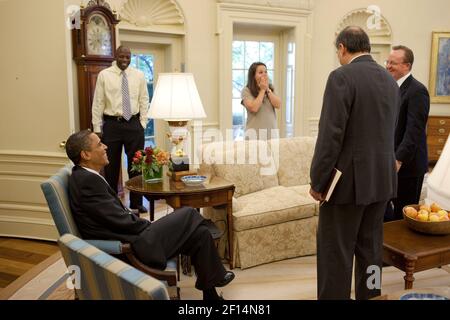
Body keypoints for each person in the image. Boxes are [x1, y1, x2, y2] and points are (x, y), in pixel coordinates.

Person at [65, 130, 235, 300]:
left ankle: (211, 297)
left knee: (200, 234)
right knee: (189, 213)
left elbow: (114, 216)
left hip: (134, 237)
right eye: (99, 144)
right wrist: (148, 226)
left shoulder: (86, 177)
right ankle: (213, 246)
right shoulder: (87, 182)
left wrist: (145, 224)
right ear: (86, 154)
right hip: (134, 246)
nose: (105, 146)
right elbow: (118, 220)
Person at [309, 26, 400, 300]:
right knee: (371, 249)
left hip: (346, 184)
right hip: (382, 181)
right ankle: (371, 297)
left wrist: (318, 181)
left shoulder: (341, 77)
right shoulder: (390, 81)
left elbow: (330, 136)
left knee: (336, 252)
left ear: (342, 48)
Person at [91, 46, 148, 214]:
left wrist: (142, 123)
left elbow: (144, 99)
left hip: (134, 124)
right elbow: (98, 102)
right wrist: (97, 127)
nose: (125, 59)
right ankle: (113, 203)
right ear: (116, 56)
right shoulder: (104, 75)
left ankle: (136, 202)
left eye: (128, 56)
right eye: (122, 56)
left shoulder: (139, 75)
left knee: (136, 165)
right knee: (111, 165)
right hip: (112, 125)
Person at [384, 45, 430, 221]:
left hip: (408, 167)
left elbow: (414, 131)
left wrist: (398, 159)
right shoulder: (392, 88)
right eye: (387, 62)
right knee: (387, 212)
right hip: (391, 162)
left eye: (393, 63)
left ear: (407, 66)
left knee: (404, 216)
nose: (388, 66)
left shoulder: (417, 91)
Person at [241, 62, 281, 140]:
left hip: (271, 135)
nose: (264, 74)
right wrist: (262, 90)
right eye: (260, 72)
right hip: (254, 135)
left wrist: (267, 90)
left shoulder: (270, 89)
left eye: (266, 72)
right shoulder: (246, 90)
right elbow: (254, 108)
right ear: (253, 76)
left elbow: (278, 104)